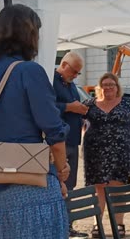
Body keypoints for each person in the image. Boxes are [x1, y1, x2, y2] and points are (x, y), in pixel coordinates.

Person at [0, 4, 70, 239]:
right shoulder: (29, 71)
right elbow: (54, 133)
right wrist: (62, 170)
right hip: (32, 189)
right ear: (30, 35)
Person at [82, 72, 130, 238]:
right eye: (104, 85)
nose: (108, 88)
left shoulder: (128, 103)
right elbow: (79, 124)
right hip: (95, 154)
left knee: (118, 186)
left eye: (111, 85)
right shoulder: (89, 104)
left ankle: (119, 223)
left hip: (121, 153)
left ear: (117, 87)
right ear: (100, 88)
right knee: (99, 188)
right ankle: (97, 223)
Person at [53, 51, 88, 237]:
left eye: (78, 73)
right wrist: (69, 107)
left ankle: (68, 225)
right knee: (60, 186)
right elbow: (47, 107)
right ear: (64, 65)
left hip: (73, 141)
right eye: (74, 71)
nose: (75, 75)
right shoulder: (50, 82)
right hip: (59, 143)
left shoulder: (72, 84)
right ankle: (59, 227)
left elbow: (73, 105)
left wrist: (80, 111)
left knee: (71, 185)